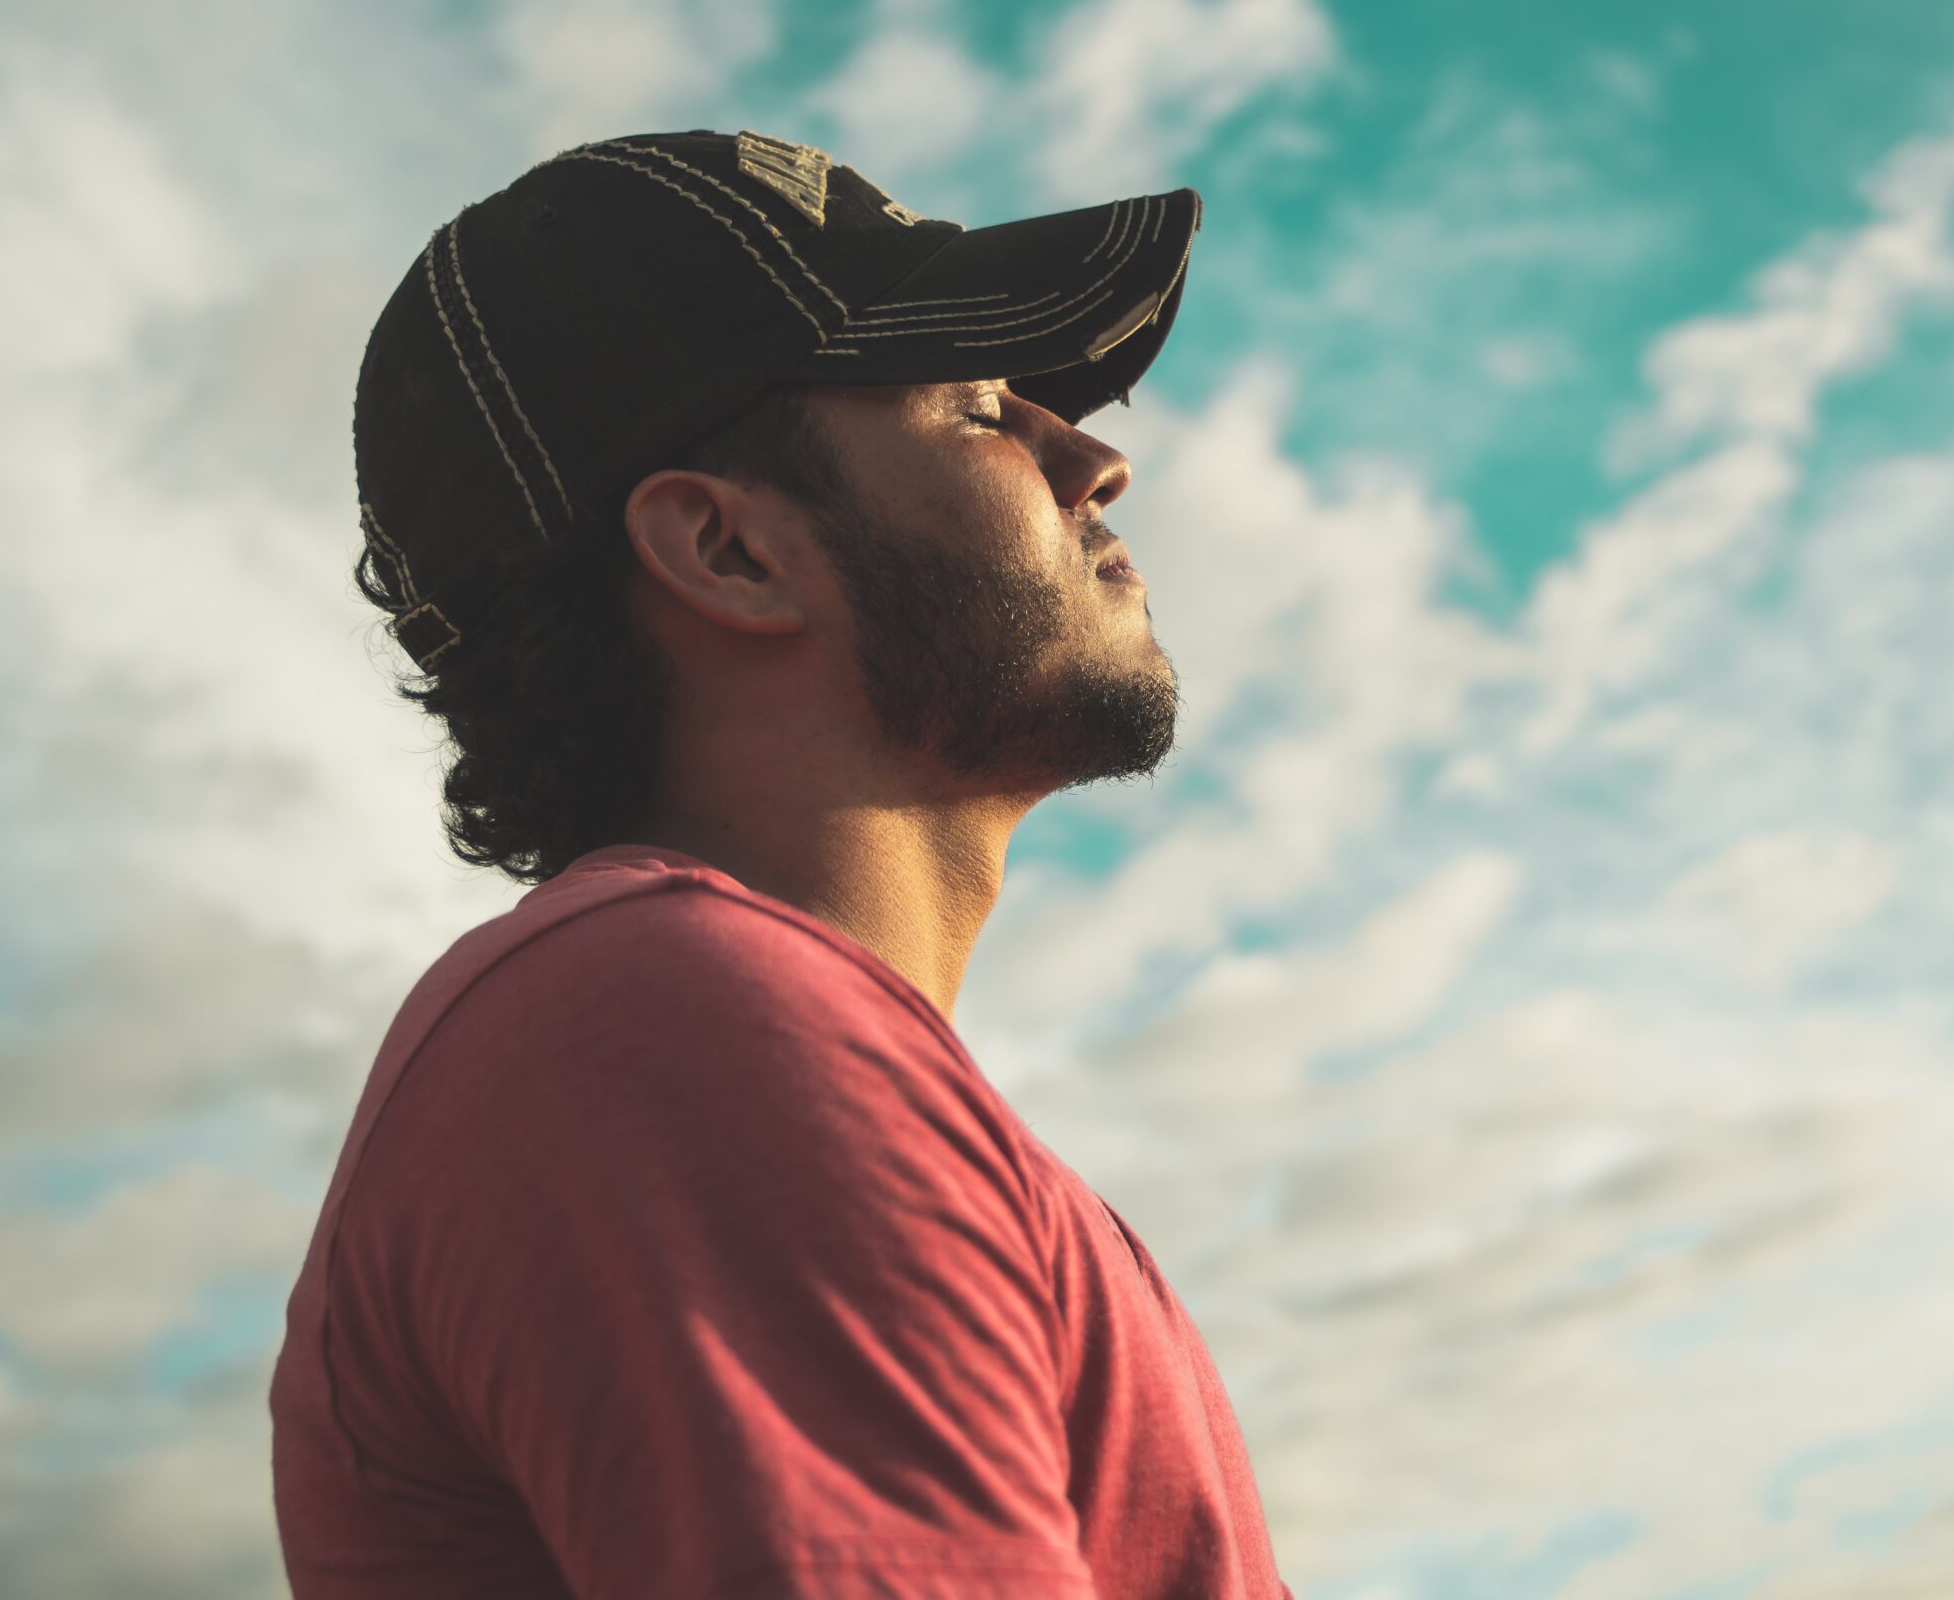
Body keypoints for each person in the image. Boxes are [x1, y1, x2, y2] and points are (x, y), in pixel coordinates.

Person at [268, 128, 1294, 1599]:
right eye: (973, 409)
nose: (1095, 458)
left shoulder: (713, 1036)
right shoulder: (671, 1024)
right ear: (729, 552)